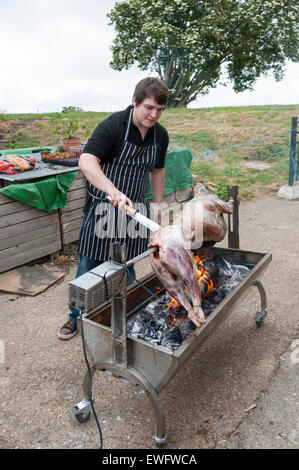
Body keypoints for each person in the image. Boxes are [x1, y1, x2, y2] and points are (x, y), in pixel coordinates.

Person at [58, 77, 169, 339]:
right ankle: (76, 316)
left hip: (135, 210)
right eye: (149, 108)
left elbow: (158, 170)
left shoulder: (159, 135)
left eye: (160, 110)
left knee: (126, 264)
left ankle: (124, 313)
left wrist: (158, 202)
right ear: (135, 101)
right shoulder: (113, 126)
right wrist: (113, 191)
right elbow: (86, 161)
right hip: (103, 207)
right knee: (90, 263)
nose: (154, 115)